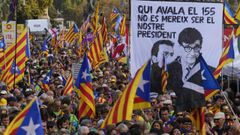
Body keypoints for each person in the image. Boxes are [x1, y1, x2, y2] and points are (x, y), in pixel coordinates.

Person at [167, 27, 206, 112]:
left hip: (197, 111)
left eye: (196, 48)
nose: (192, 53)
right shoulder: (168, 70)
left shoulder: (207, 70)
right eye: (187, 48)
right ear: (179, 47)